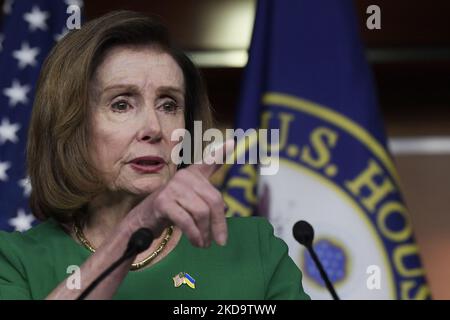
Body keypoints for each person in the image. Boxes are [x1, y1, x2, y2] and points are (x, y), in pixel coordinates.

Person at [0, 10, 309, 300]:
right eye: (121, 104)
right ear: (71, 125)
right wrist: (138, 226)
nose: (154, 128)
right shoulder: (16, 260)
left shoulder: (254, 247)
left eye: (169, 105)